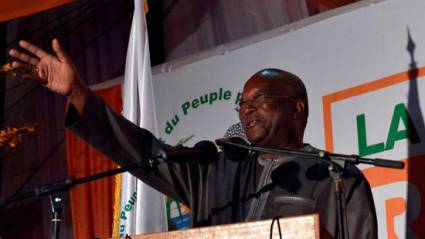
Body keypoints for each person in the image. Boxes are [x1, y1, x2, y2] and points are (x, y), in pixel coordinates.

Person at [9, 39, 377, 238]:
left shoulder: (336, 178)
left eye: (260, 99)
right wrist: (79, 95)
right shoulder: (214, 172)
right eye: (242, 103)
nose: (247, 109)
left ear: (297, 108)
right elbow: (140, 151)